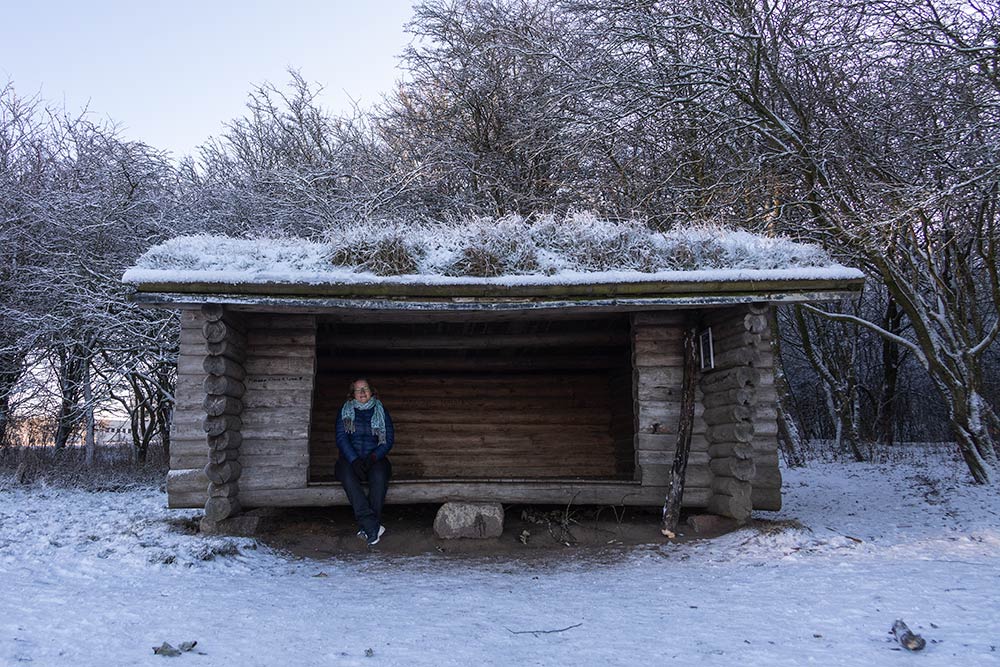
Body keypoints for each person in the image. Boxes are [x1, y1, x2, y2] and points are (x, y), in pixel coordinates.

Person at [334, 378, 394, 546]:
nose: (362, 393)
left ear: (371, 391)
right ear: (352, 394)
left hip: (375, 458)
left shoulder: (381, 410)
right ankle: (371, 525)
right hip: (349, 460)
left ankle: (369, 527)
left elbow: (388, 439)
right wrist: (353, 461)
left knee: (380, 477)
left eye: (365, 389)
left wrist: (374, 457)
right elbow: (341, 438)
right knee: (347, 476)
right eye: (358, 390)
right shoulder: (344, 411)